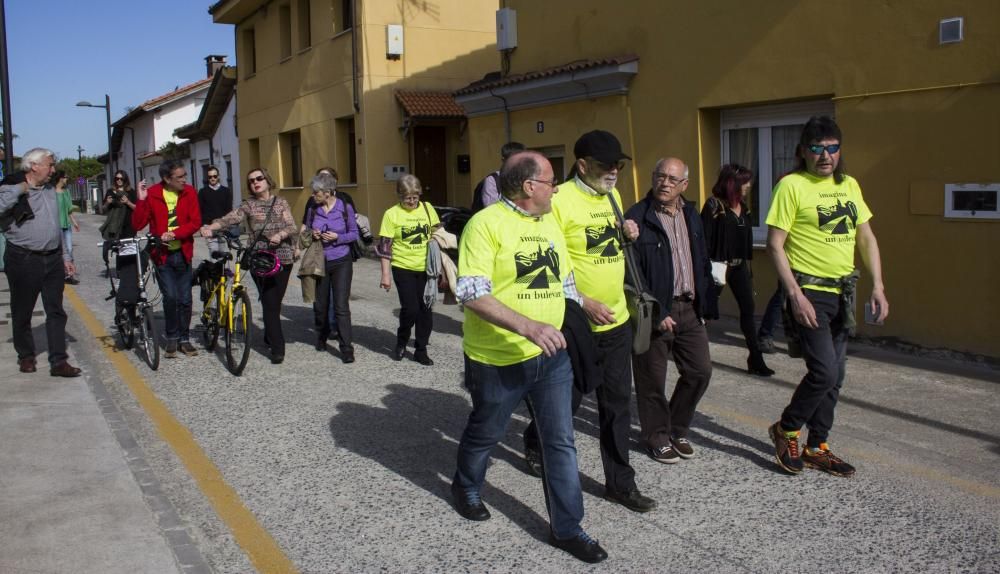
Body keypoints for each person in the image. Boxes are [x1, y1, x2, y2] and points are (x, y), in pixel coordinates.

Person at [452, 150, 607, 564]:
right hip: (498, 358)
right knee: (486, 432)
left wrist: (586, 303)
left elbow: (563, 279)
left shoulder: (550, 222)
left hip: (552, 358)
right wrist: (528, 327)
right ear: (528, 186)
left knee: (559, 442)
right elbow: (469, 292)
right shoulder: (485, 225)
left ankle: (568, 528)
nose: (556, 189)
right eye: (551, 181)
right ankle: (466, 486)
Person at [765, 115, 889, 478]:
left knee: (836, 377)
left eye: (832, 148)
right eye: (817, 148)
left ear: (840, 150)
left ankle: (817, 445)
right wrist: (795, 294)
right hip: (810, 292)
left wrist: (878, 285)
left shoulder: (849, 185)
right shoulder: (791, 186)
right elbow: (774, 246)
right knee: (823, 371)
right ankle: (787, 428)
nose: (825, 155)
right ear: (803, 151)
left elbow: (866, 237)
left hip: (843, 293)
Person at [540, 129, 657, 513]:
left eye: (619, 165)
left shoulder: (613, 196)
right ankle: (532, 441)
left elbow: (610, 249)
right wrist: (583, 300)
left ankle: (620, 483)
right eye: (607, 166)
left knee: (618, 403)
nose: (615, 172)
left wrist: (628, 232)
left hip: (617, 320)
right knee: (568, 401)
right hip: (578, 322)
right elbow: (549, 262)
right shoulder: (559, 201)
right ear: (582, 165)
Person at [625, 157, 713, 463]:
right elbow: (632, 271)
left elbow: (700, 258)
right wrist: (657, 310)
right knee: (651, 380)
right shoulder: (638, 216)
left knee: (700, 371)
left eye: (672, 179)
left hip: (690, 308)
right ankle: (656, 436)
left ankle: (676, 427)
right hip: (655, 312)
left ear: (684, 185)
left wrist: (705, 304)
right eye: (660, 176)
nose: (665, 183)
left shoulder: (691, 214)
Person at [201, 167, 297, 364]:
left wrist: (281, 236)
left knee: (274, 302)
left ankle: (270, 335)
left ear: (268, 181)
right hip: (260, 259)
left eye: (259, 178)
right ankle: (278, 349)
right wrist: (211, 226)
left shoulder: (280, 203)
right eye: (251, 180)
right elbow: (231, 218)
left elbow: (292, 226)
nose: (255, 182)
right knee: (270, 303)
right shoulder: (249, 205)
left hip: (283, 258)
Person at [0, 148, 81, 377]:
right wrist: (20, 189)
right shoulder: (11, 188)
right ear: (34, 166)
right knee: (22, 310)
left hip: (52, 258)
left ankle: (59, 362)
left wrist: (66, 257)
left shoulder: (49, 191)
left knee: (56, 311)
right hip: (23, 258)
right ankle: (26, 356)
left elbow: (57, 226)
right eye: (49, 164)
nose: (53, 169)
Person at [702, 164, 774, 376]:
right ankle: (694, 353)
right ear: (732, 183)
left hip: (739, 264)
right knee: (706, 311)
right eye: (745, 182)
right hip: (717, 266)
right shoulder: (714, 206)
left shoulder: (744, 207)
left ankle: (755, 359)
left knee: (748, 310)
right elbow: (703, 239)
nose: (749, 186)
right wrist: (705, 269)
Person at [132, 160, 202, 359]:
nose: (184, 180)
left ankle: (184, 338)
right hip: (162, 255)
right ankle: (172, 336)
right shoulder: (153, 193)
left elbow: (195, 222)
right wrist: (142, 199)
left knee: (186, 298)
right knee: (170, 297)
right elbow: (138, 223)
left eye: (184, 175)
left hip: (183, 253)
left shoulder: (189, 192)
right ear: (166, 179)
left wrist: (176, 234)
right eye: (179, 177)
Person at [377, 174, 440, 366]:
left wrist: (437, 240)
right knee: (410, 309)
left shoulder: (428, 209)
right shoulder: (392, 214)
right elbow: (385, 246)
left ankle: (421, 349)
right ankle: (402, 340)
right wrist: (385, 274)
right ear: (399, 196)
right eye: (407, 198)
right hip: (402, 267)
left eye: (415, 197)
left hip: (426, 268)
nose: (412, 202)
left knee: (426, 310)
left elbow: (438, 232)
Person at [302, 171, 358, 363]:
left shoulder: (345, 208)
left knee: (341, 306)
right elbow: (307, 231)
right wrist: (314, 235)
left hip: (342, 260)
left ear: (328, 192)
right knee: (321, 305)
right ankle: (321, 334)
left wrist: (338, 237)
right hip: (320, 260)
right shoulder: (313, 209)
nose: (313, 195)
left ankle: (346, 348)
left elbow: (354, 234)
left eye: (316, 191)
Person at [470, 141, 525, 213]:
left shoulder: (529, 178)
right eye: (514, 160)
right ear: (503, 160)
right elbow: (491, 210)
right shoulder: (493, 180)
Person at [52, 171, 80, 284]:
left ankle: (69, 275)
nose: (67, 179)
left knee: (69, 249)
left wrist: (75, 222)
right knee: (58, 250)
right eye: (65, 177)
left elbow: (69, 209)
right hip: (55, 226)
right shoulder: (51, 192)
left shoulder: (66, 192)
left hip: (66, 225)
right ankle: (59, 273)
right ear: (60, 178)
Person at [197, 165, 233, 255]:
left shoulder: (226, 191)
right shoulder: (202, 192)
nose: (212, 178)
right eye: (210, 177)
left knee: (223, 254)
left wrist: (228, 225)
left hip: (222, 227)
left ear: (218, 176)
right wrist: (202, 226)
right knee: (215, 254)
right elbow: (199, 210)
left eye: (215, 176)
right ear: (207, 178)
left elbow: (229, 210)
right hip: (208, 227)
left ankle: (221, 269)